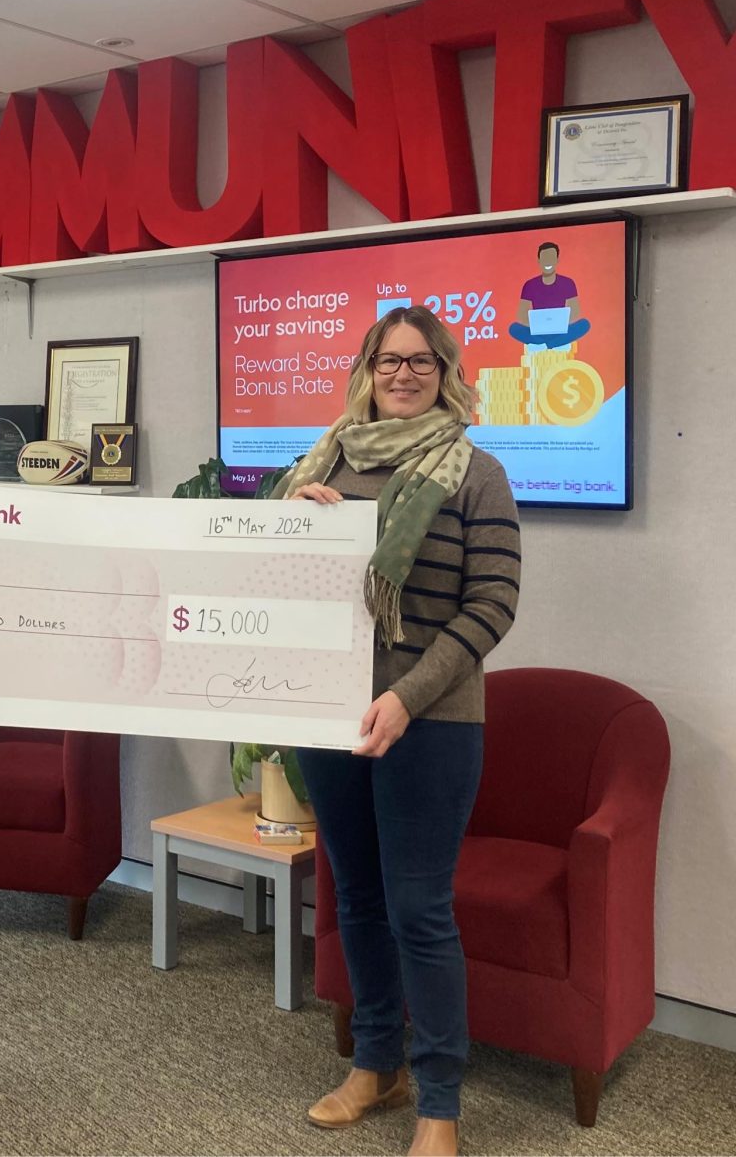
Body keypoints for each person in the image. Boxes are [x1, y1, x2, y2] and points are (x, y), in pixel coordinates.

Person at [280, 305, 520, 1157]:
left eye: (421, 361)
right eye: (389, 361)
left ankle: (441, 1104)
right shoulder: (322, 462)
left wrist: (409, 697)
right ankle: (375, 1066)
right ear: (367, 371)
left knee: (420, 909)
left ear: (446, 372)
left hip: (431, 720)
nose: (404, 375)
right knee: (358, 898)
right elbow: (272, 581)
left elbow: (493, 605)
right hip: (328, 711)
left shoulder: (476, 472)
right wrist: (298, 525)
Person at [508, 240, 591, 349]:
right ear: (539, 261)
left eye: (551, 258)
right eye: (544, 258)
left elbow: (575, 313)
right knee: (513, 328)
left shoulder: (568, 283)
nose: (548, 262)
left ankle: (545, 345)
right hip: (537, 333)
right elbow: (521, 315)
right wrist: (537, 326)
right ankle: (553, 343)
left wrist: (559, 324)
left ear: (557, 260)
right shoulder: (529, 285)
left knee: (584, 324)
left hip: (561, 331)